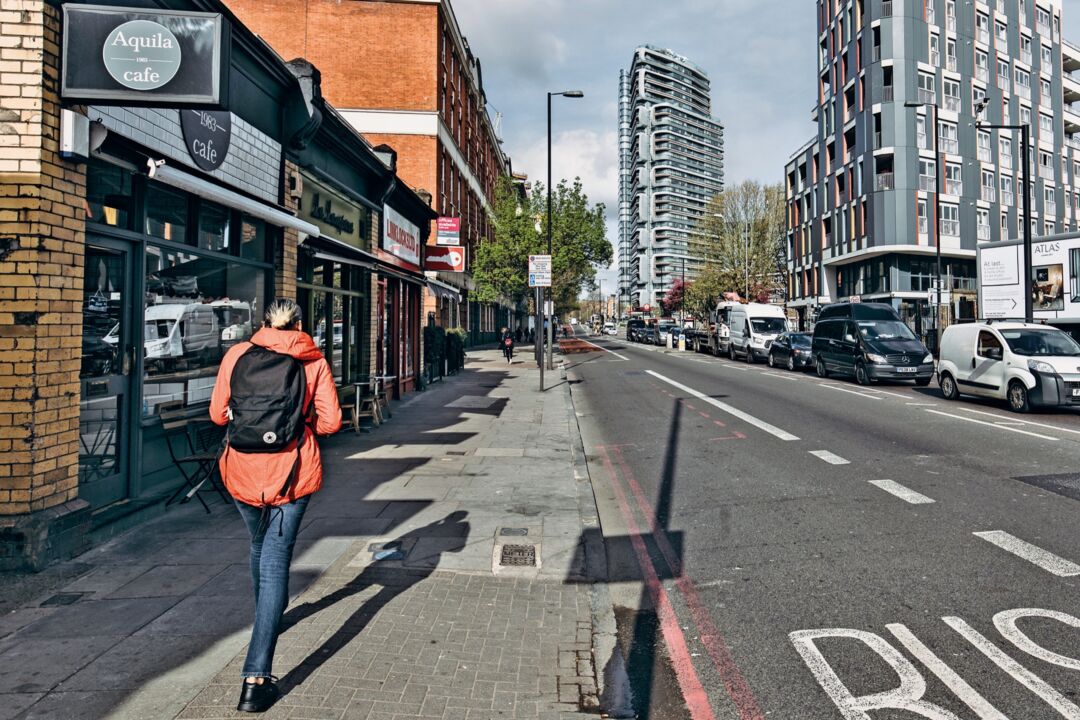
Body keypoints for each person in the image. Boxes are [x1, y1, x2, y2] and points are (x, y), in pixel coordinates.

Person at [209, 299, 342, 713]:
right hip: (291, 472)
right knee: (275, 562)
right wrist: (301, 427)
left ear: (263, 322)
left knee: (258, 547)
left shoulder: (236, 354)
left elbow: (217, 415)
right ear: (299, 324)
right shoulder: (312, 361)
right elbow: (331, 422)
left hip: (243, 472)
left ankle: (266, 616)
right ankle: (256, 677)